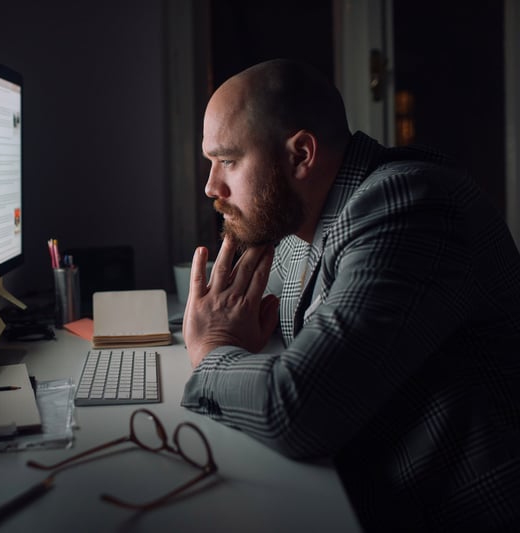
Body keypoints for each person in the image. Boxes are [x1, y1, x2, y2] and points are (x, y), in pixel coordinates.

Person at [181, 58, 520, 532]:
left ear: (301, 155)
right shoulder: (303, 224)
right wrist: (228, 332)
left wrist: (213, 351)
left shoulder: (408, 204)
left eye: (228, 161)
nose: (211, 186)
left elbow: (297, 409)